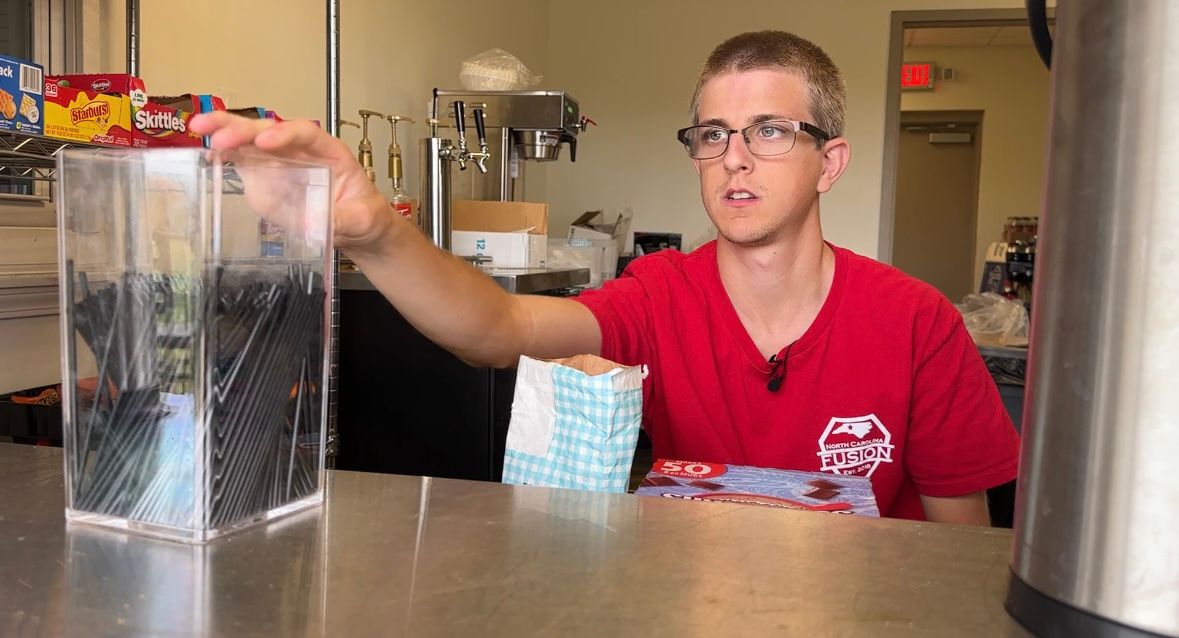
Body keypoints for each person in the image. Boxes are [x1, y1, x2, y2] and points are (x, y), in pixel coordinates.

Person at [191, 30, 1019, 524]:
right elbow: (496, 332)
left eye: (769, 131)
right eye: (711, 135)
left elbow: (953, 551)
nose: (733, 158)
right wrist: (372, 233)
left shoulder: (915, 322)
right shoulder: (660, 294)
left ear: (828, 161)